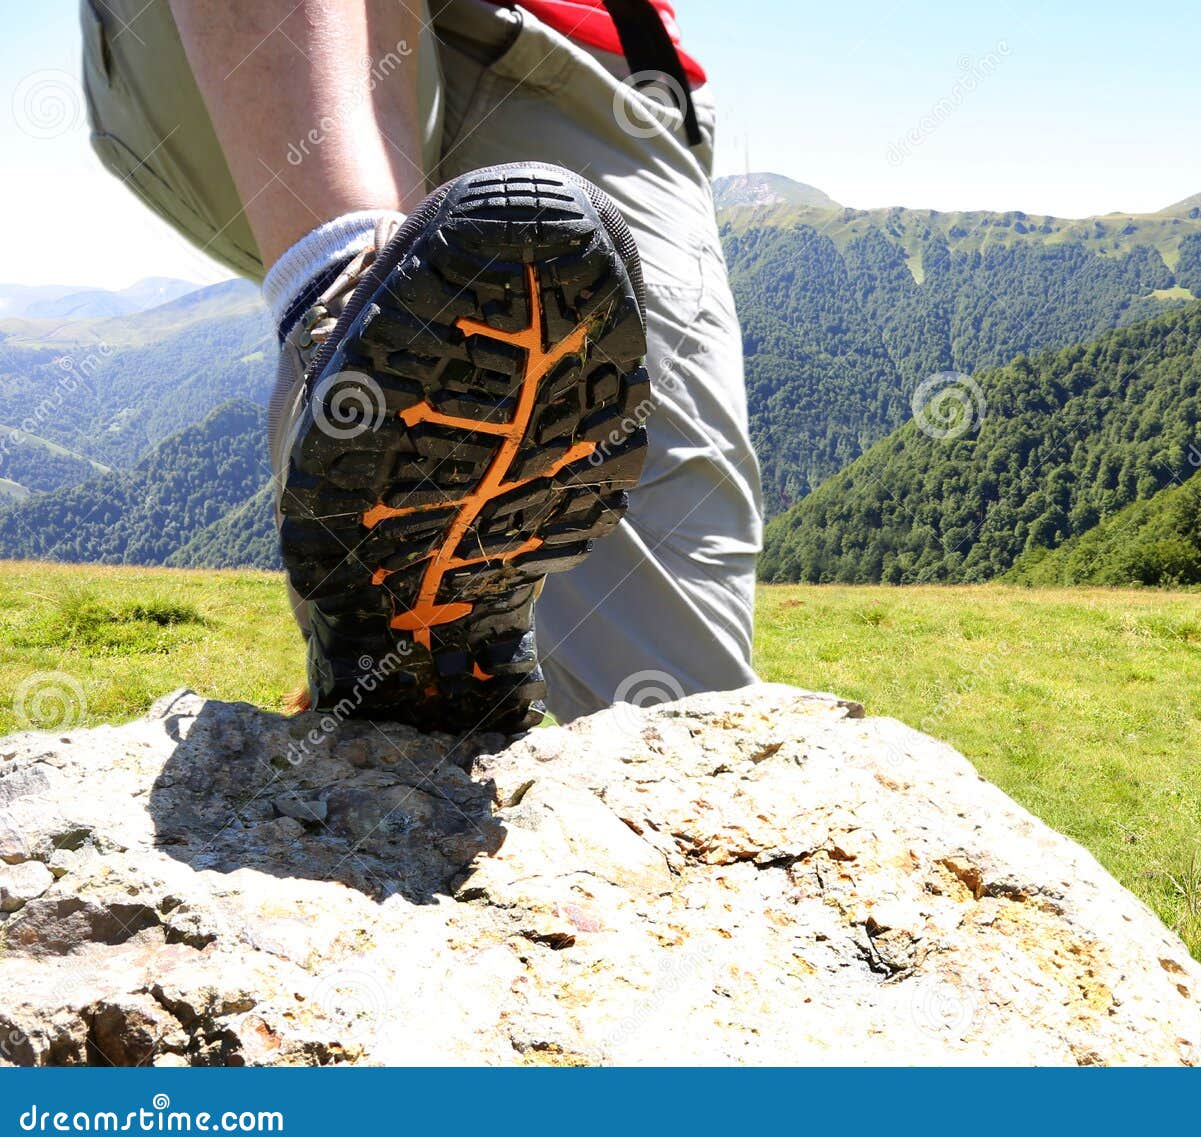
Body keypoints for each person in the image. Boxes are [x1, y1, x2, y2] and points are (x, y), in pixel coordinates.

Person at [79, 0, 762, 733]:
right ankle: (345, 298)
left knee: (683, 716)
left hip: (594, 63)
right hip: (267, 44)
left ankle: (387, 603)